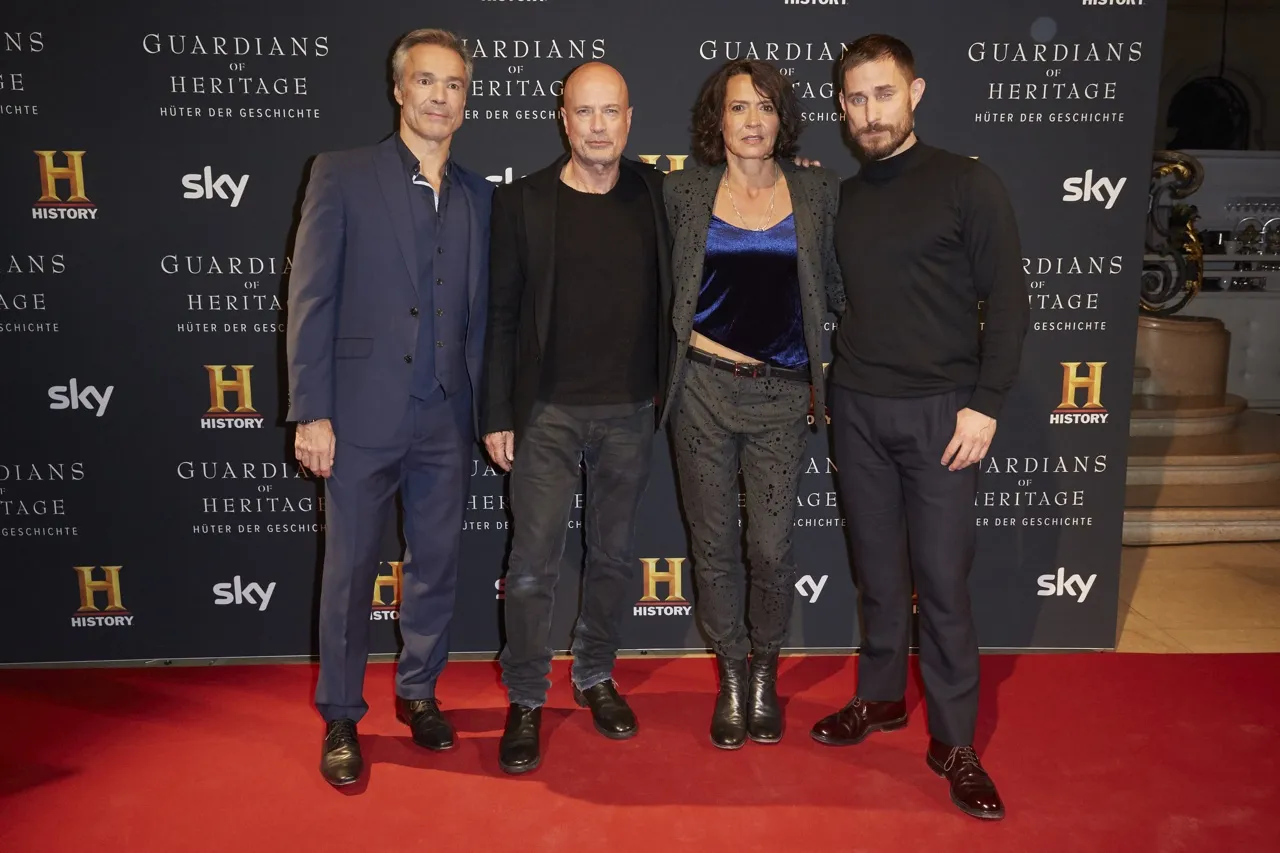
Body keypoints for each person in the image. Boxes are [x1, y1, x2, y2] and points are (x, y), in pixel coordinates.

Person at [808, 34, 1028, 820]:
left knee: (940, 581)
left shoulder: (968, 184)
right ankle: (880, 696)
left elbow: (1009, 301)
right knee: (876, 573)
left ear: (916, 93)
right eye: (856, 98)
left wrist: (986, 401)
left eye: (884, 94)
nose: (871, 112)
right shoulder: (841, 199)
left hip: (944, 414)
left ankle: (955, 739)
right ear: (842, 108)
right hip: (857, 409)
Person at [286, 28, 493, 787]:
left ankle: (419, 691)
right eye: (427, 81)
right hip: (360, 415)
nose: (440, 97)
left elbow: (486, 316)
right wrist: (312, 411)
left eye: (454, 85)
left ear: (466, 100)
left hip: (447, 416)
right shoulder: (341, 174)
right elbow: (310, 298)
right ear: (399, 89)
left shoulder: (481, 196)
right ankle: (342, 713)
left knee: (435, 565)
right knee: (349, 572)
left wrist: (492, 409)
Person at [481, 62, 673, 775]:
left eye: (610, 111)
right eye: (584, 112)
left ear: (630, 119)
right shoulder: (522, 202)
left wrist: (797, 171)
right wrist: (497, 411)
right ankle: (527, 695)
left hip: (630, 410)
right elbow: (500, 316)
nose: (597, 126)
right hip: (546, 413)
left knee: (614, 559)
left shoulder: (659, 192)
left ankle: (595, 674)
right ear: (563, 119)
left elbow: (745, 191)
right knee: (532, 568)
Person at [661, 60, 844, 750]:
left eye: (765, 107)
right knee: (712, 547)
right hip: (701, 390)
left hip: (783, 392)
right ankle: (732, 674)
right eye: (739, 107)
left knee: (770, 547)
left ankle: (765, 665)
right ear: (718, 119)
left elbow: (837, 285)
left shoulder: (818, 189)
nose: (752, 121)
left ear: (782, 118)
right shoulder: (683, 191)